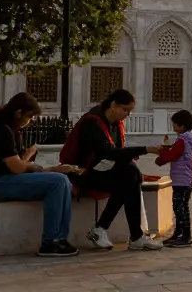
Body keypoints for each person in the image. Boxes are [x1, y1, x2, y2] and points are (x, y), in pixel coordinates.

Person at [0, 92, 81, 257]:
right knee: (57, 181)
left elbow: (15, 162)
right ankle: (50, 241)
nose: (30, 122)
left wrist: (29, 156)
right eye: (29, 117)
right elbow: (17, 168)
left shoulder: (3, 126)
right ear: (18, 113)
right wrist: (46, 169)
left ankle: (59, 238)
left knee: (62, 180)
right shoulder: (0, 130)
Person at [69, 89, 166, 251]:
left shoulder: (115, 125)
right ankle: (118, 232)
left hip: (103, 172)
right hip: (83, 174)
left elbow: (117, 156)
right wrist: (146, 149)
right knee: (129, 174)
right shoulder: (92, 122)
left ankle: (118, 232)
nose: (127, 114)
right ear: (113, 104)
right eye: (125, 109)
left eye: (129, 111)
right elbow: (109, 153)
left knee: (131, 173)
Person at [154, 110, 192, 248]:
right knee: (181, 206)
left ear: (181, 125)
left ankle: (186, 236)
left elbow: (172, 156)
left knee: (180, 207)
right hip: (187, 178)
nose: (173, 127)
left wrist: (162, 151)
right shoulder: (189, 138)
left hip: (181, 179)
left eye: (174, 124)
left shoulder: (182, 140)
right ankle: (178, 233)